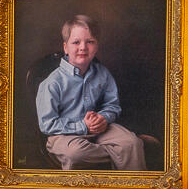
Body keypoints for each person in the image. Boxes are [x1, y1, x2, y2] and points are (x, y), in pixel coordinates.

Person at [35, 13, 147, 170]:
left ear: (97, 46)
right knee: (76, 154)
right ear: (65, 47)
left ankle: (132, 163)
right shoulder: (52, 83)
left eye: (90, 42)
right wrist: (83, 126)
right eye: (76, 42)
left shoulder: (102, 73)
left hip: (100, 129)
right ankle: (123, 152)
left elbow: (112, 105)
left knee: (131, 143)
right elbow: (47, 124)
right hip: (64, 135)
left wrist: (103, 118)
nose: (83, 47)